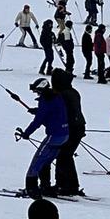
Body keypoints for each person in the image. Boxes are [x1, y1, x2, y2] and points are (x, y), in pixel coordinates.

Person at [15, 77, 69, 199]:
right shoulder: (57, 96)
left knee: (37, 161)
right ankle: (46, 187)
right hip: (65, 135)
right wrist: (39, 111)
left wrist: (26, 133)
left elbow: (38, 121)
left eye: (37, 91)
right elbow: (52, 111)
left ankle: (31, 189)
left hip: (54, 136)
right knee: (46, 161)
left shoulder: (45, 100)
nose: (37, 93)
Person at [43, 68, 85, 196]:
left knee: (63, 156)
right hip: (77, 127)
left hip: (71, 128)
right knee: (64, 156)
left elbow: (59, 110)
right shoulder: (72, 92)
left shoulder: (64, 94)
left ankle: (69, 186)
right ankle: (63, 184)